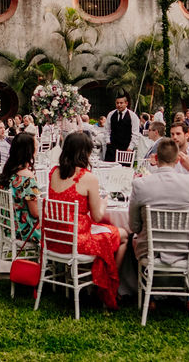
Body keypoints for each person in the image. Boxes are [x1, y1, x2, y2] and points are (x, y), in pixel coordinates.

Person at [47, 132, 125, 309]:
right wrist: (104, 202)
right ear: (85, 153)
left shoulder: (53, 173)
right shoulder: (88, 178)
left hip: (54, 240)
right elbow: (97, 216)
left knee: (105, 233)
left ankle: (95, 280)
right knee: (124, 235)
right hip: (76, 240)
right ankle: (109, 285)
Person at [129, 138, 189, 267]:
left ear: (156, 158)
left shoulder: (140, 184)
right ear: (177, 160)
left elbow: (134, 227)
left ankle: (134, 284)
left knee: (130, 241)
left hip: (151, 250)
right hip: (185, 248)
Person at [0, 132, 41, 243]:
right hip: (25, 231)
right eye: (36, 146)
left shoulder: (8, 172)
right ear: (29, 151)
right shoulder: (27, 178)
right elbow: (35, 212)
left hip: (8, 227)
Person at [104, 95, 139, 163]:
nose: (119, 105)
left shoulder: (133, 116)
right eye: (117, 103)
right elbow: (107, 130)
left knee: (124, 170)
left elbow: (135, 134)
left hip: (126, 148)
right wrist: (108, 142)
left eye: (121, 103)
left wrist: (130, 147)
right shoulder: (111, 114)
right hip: (112, 147)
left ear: (126, 103)